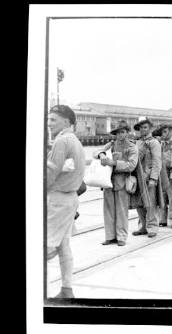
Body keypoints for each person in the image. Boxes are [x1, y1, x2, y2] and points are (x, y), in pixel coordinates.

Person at [46, 105, 86, 298]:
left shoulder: (61, 141)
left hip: (57, 200)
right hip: (70, 199)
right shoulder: (75, 141)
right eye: (48, 119)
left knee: (44, 245)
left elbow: (51, 172)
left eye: (53, 119)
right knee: (63, 246)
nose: (49, 123)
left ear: (66, 122)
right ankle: (67, 289)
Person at [94, 120, 138, 246]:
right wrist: (102, 155)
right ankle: (110, 236)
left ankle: (121, 237)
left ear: (127, 133)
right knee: (108, 209)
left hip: (122, 182)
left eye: (123, 132)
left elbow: (132, 165)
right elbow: (95, 152)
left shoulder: (132, 147)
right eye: (118, 133)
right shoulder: (111, 144)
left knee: (121, 210)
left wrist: (114, 163)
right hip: (108, 181)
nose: (120, 135)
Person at [131, 117, 163, 238]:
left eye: (145, 127)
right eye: (141, 128)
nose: (143, 130)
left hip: (149, 176)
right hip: (138, 176)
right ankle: (142, 226)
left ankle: (153, 227)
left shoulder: (154, 143)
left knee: (151, 203)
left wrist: (154, 178)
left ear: (150, 128)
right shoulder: (137, 142)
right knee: (139, 203)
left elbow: (157, 161)